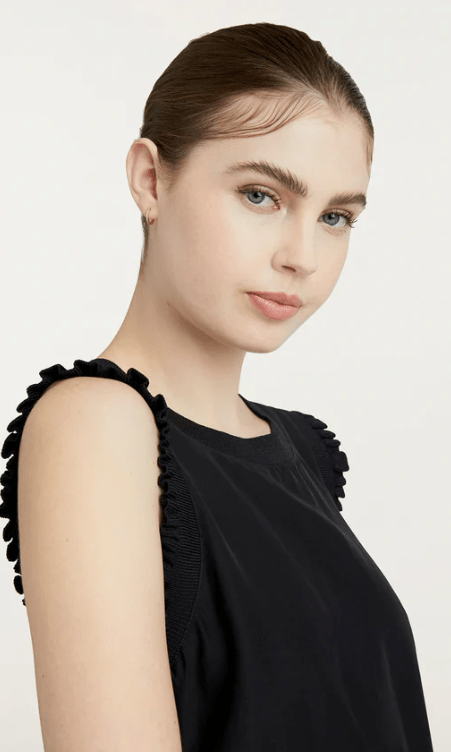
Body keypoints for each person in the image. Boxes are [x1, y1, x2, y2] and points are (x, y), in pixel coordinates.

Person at [0, 21, 434, 752]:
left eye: (335, 217)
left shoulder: (300, 450)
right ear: (151, 179)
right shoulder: (96, 424)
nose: (302, 255)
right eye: (261, 195)